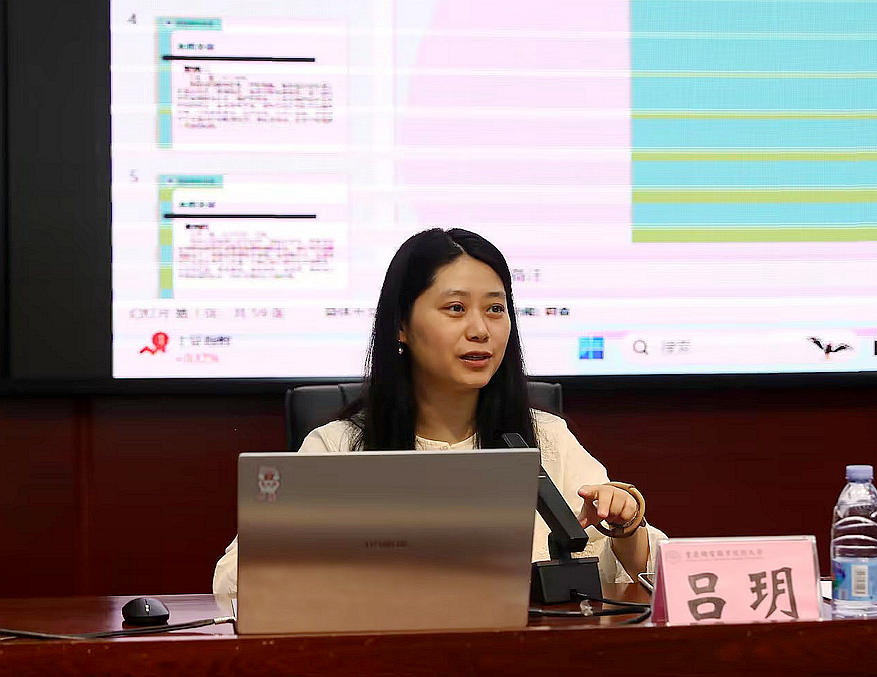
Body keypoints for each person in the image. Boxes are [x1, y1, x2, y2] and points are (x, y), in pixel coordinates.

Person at [213, 228, 665, 595]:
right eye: (455, 308)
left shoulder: (545, 439)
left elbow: (643, 576)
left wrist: (627, 527)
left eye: (495, 309)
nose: (480, 329)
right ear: (401, 325)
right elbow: (234, 581)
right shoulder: (338, 448)